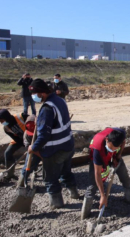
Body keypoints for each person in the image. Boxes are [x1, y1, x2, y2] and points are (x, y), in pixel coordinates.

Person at [28, 78, 79, 209]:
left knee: (50, 178)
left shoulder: (47, 108)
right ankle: (74, 193)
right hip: (68, 145)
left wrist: (33, 147)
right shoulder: (59, 100)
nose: (34, 97)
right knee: (66, 172)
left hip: (55, 150)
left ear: (42, 93)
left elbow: (44, 135)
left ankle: (56, 203)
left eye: (35, 94)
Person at [81, 127, 130, 220]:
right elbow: (97, 173)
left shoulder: (120, 134)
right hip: (98, 157)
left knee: (125, 177)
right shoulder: (97, 148)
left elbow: (123, 142)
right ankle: (85, 214)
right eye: (111, 148)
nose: (112, 150)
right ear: (107, 140)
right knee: (92, 185)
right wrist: (102, 196)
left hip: (114, 158)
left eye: (115, 149)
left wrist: (118, 155)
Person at [0, 109, 28, 181]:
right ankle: (10, 174)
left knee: (34, 154)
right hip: (19, 140)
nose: (2, 123)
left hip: (31, 137)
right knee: (7, 153)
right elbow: (16, 139)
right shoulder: (6, 128)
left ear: (6, 117)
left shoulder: (21, 116)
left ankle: (33, 170)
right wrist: (26, 145)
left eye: (2, 120)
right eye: (0, 122)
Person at [16, 114, 42, 187]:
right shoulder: (26, 135)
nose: (31, 134)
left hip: (45, 149)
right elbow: (28, 146)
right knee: (28, 165)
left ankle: (50, 180)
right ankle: (21, 183)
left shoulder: (44, 131)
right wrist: (39, 154)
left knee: (50, 165)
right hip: (33, 151)